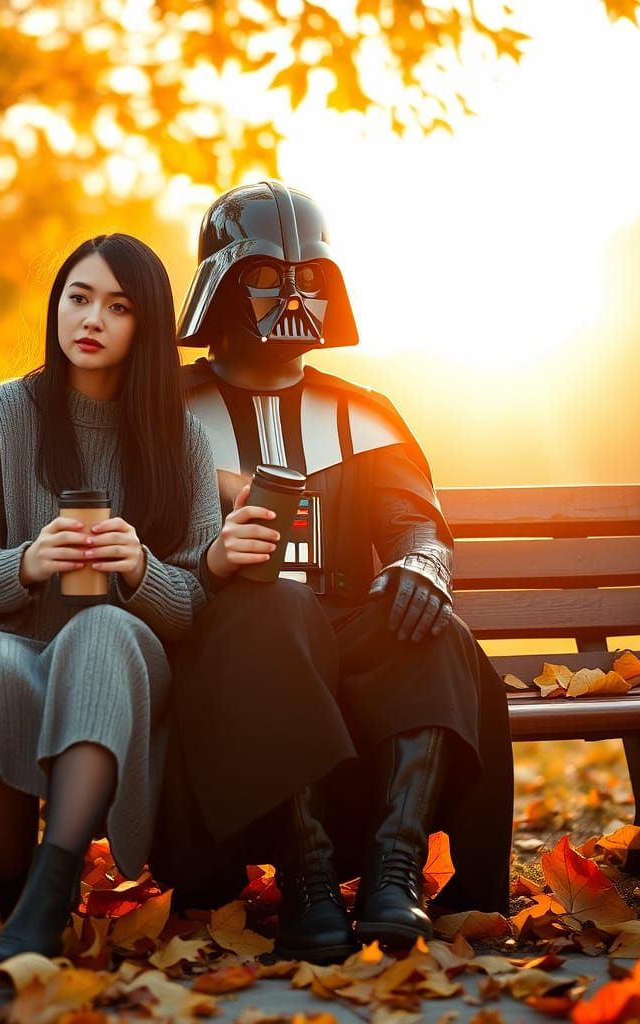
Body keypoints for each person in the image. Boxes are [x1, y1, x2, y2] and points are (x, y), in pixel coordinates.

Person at [150, 181, 514, 960]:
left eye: (309, 277)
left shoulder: (365, 411)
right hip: (221, 637)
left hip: (344, 630)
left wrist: (422, 561)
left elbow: (414, 521)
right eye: (265, 276)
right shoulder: (162, 407)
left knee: (429, 622)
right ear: (219, 284)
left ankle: (394, 871)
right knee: (273, 610)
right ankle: (307, 877)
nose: (292, 296)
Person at [0, 234, 222, 968]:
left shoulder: (182, 440)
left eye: (118, 306)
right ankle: (23, 906)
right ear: (57, 306)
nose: (92, 318)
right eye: (79, 297)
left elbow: (195, 605)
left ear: (147, 327)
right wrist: (26, 562)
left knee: (99, 628)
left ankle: (53, 882)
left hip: (120, 659)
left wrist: (140, 569)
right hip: (2, 638)